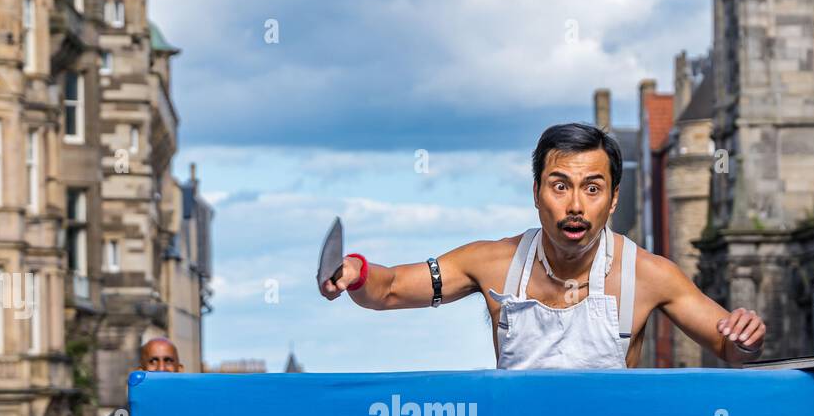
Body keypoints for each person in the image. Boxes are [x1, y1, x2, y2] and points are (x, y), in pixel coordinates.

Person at [321, 122, 766, 369]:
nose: (575, 205)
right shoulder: (493, 262)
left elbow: (729, 346)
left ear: (613, 200)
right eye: (560, 186)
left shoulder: (648, 274)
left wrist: (745, 335)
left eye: (592, 189)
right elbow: (392, 288)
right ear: (536, 193)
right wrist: (357, 271)